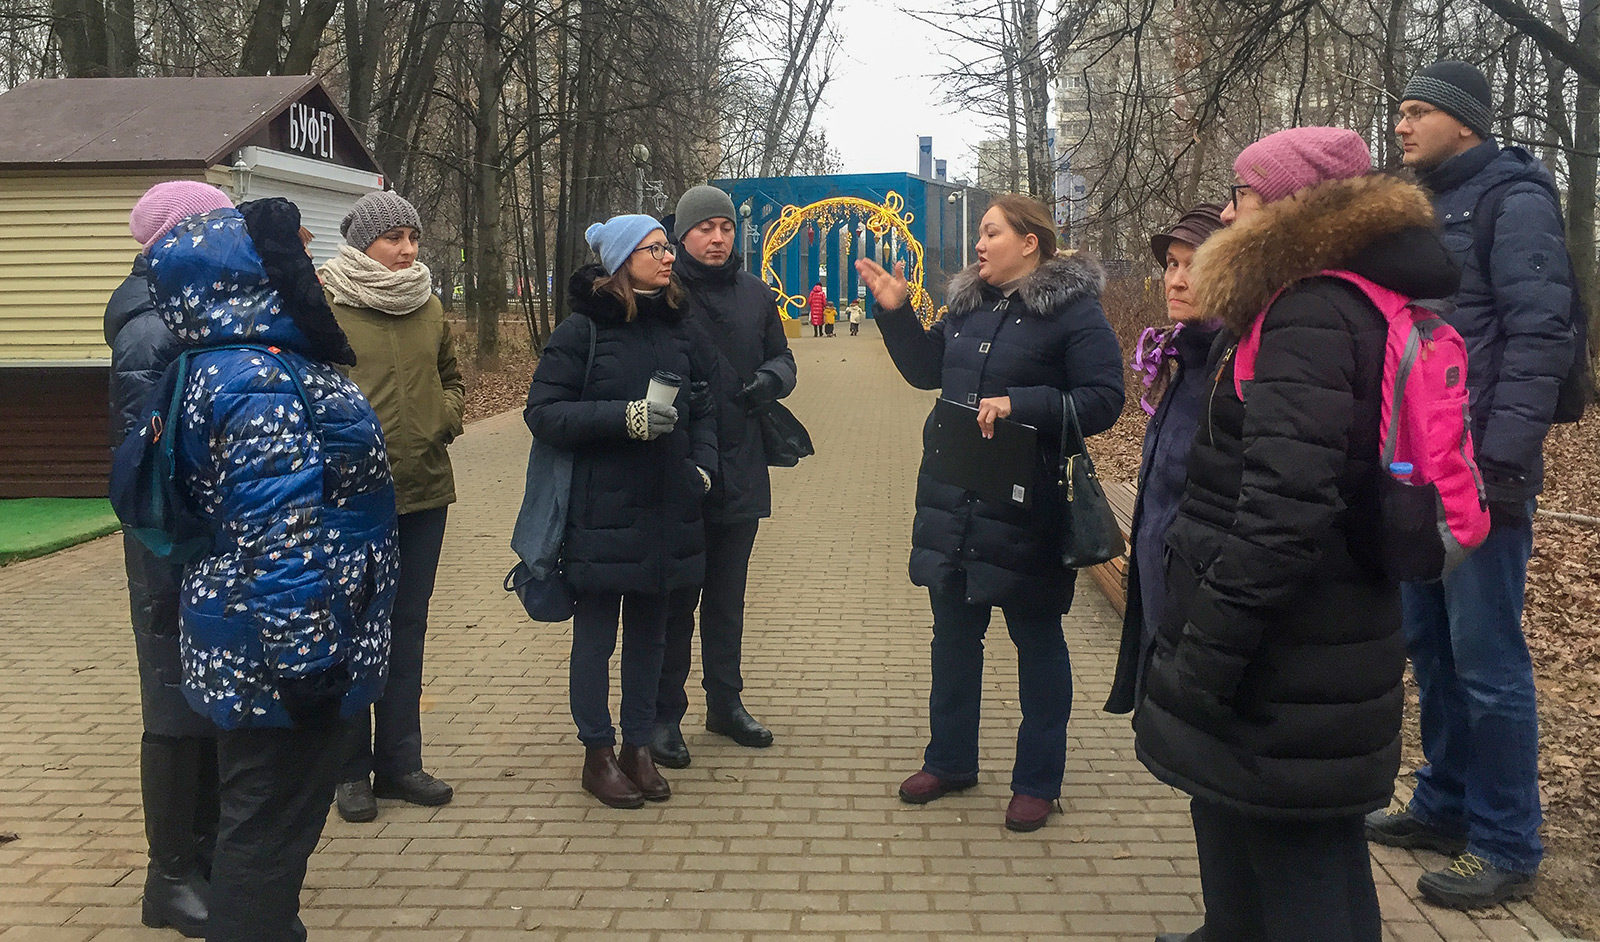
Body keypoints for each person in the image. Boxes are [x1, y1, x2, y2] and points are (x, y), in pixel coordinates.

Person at [1132, 128, 1461, 942]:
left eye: (1242, 193)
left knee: (1302, 857)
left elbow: (1284, 510)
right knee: (1275, 829)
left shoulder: (1309, 312)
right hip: (1309, 634)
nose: (1231, 209)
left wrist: (1209, 648)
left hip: (1292, 645)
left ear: (1287, 206)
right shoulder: (1324, 300)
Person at [142, 194, 398, 941]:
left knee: (265, 826)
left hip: (261, 636)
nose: (312, 270)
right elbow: (281, 535)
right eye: (299, 256)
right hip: (281, 650)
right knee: (265, 833)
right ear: (255, 275)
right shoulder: (257, 381)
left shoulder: (245, 365)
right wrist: (308, 666)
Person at [1365, 61, 1576, 909]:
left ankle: (1505, 840)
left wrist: (1499, 465)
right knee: (1432, 647)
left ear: (1466, 122)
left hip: (1480, 474)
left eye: (1418, 113)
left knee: (1488, 661)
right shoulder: (1415, 202)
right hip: (1414, 465)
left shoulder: (1514, 198)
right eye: (1400, 113)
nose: (1403, 127)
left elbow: (1538, 335)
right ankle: (1445, 804)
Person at [856, 193, 1124, 832]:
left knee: (1036, 641)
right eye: (980, 234)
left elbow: (1105, 399)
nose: (979, 245)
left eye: (991, 233)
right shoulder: (967, 305)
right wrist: (894, 314)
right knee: (952, 637)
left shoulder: (1073, 313)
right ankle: (949, 762)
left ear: (1030, 242)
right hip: (953, 495)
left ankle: (1037, 780)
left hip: (1026, 503)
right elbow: (927, 372)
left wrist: (1020, 402)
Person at [524, 214, 717, 808]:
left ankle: (639, 746)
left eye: (666, 247)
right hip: (601, 511)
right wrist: (621, 416)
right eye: (653, 248)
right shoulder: (582, 330)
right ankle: (597, 753)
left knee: (651, 637)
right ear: (619, 261)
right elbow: (544, 413)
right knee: (596, 636)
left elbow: (707, 404)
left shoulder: (683, 325)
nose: (666, 257)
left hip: (670, 505)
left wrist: (703, 468)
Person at [109, 181, 234, 938]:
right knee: (174, 700)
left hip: (202, 536)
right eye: (217, 226)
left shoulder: (190, 313)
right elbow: (147, 464)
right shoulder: (152, 330)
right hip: (170, 543)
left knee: (206, 697)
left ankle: (209, 854)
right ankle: (171, 877)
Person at [320, 191, 465, 824]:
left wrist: (445, 417)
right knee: (353, 631)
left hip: (425, 488)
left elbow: (452, 376)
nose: (407, 250)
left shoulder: (429, 304)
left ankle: (400, 763)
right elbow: (306, 391)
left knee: (407, 630)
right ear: (362, 244)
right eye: (393, 238)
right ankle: (349, 772)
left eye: (412, 236)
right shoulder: (327, 303)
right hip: (351, 500)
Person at [653, 186, 797, 768]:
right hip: (679, 468)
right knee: (675, 598)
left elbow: (785, 358)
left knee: (727, 599)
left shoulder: (757, 295)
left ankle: (725, 703)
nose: (718, 238)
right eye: (706, 228)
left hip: (740, 464)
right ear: (683, 234)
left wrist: (771, 378)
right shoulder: (664, 293)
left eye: (726, 228)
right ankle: (665, 714)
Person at [1103, 202, 1224, 717]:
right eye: (1172, 264)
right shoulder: (1187, 362)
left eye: (1193, 264)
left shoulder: (1234, 372)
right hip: (1164, 599)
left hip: (1201, 619)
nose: (1176, 279)